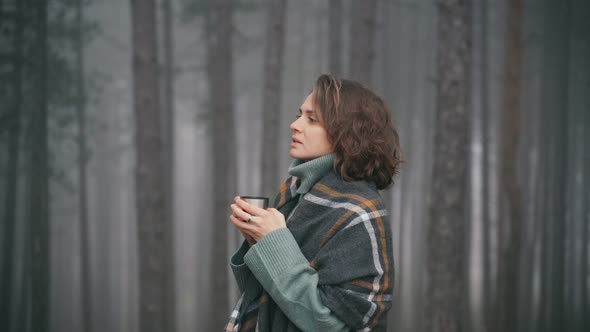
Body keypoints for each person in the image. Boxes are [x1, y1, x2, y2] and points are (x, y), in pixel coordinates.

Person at [226, 74, 401, 332]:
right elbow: (265, 293)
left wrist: (275, 243)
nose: (295, 125)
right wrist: (258, 240)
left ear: (346, 132)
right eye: (300, 115)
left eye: (312, 119)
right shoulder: (296, 191)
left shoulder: (360, 212)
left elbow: (331, 323)